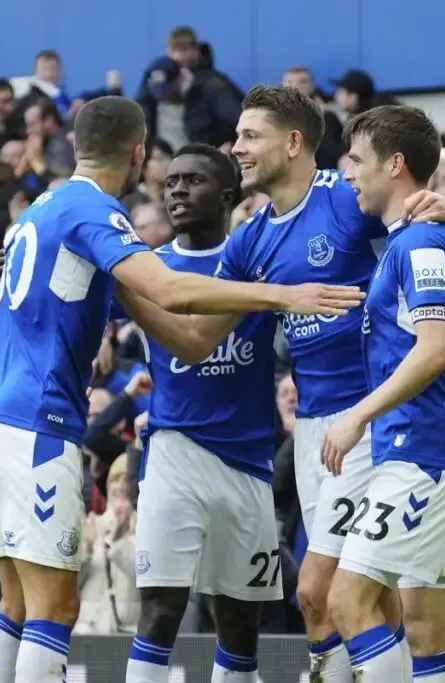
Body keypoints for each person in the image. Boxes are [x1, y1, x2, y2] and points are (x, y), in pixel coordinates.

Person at [0, 96, 366, 683]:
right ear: (138, 154)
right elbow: (174, 295)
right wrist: (285, 295)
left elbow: (174, 334)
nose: (175, 190)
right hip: (39, 425)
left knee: (17, 605)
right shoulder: (96, 214)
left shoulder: (40, 209)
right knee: (54, 608)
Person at [117, 85, 445, 682]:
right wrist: (124, 292)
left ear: (293, 143)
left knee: (332, 591)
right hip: (317, 430)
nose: (235, 148)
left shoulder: (346, 198)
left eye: (248, 136)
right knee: (337, 603)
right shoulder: (250, 238)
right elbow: (195, 341)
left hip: (373, 422)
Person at [320, 105, 445, 682]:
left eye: (357, 161)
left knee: (349, 600)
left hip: (426, 452)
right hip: (439, 450)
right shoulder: (427, 234)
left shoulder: (419, 245)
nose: (348, 174)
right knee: (426, 622)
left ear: (395, 165)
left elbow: (436, 347)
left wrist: (356, 417)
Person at [116, 144, 280, 683]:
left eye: (193, 181)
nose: (178, 190)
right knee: (160, 611)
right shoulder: (148, 269)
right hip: (173, 452)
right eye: (171, 182)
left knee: (238, 627)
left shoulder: (259, 266)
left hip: (249, 463)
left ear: (229, 196)